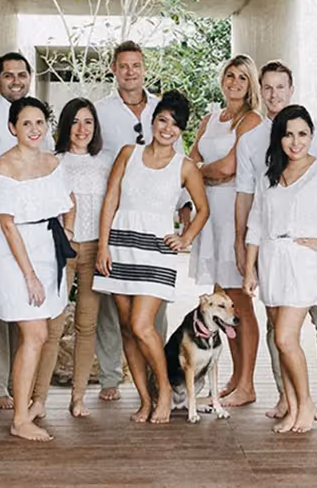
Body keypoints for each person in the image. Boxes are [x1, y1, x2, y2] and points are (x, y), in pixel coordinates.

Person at [243, 104, 317, 433]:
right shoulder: (269, 174)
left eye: (303, 134)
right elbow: (255, 223)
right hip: (270, 257)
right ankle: (293, 407)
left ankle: (306, 404)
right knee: (281, 340)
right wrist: (250, 269)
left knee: (284, 337)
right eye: (289, 134)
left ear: (312, 136)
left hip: (302, 259)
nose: (296, 142)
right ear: (279, 137)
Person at [94, 91, 209, 424]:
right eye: (162, 120)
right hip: (120, 246)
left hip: (156, 252)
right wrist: (103, 246)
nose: (167, 129)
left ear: (181, 131)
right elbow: (111, 199)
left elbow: (203, 210)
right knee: (127, 329)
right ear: (153, 120)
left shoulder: (185, 167)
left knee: (143, 325)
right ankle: (145, 400)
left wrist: (185, 237)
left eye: (175, 125)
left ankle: (162, 396)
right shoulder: (128, 154)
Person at [234, 60, 317, 420]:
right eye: (267, 88)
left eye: (281, 87)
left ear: (291, 89)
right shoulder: (251, 142)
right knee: (277, 328)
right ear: (259, 91)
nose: (274, 94)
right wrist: (244, 253)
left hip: (310, 250)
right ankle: (288, 397)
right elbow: (249, 202)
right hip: (272, 252)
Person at [93, 41, 188, 402]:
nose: (130, 71)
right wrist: (103, 241)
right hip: (119, 227)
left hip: (155, 233)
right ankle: (110, 379)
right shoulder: (101, 111)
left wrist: (183, 221)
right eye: (123, 65)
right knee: (117, 319)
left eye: (136, 65)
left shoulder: (164, 109)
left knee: (148, 320)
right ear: (113, 69)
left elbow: (177, 173)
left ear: (144, 68)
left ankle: (157, 384)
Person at [0, 96, 75, 441]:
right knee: (34, 334)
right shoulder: (3, 166)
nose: (34, 129)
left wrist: (68, 232)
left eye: (39, 123)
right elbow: (6, 225)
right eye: (26, 124)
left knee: (43, 332)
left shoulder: (52, 162)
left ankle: (31, 404)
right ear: (12, 128)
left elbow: (69, 201)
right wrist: (29, 274)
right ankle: (20, 419)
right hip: (15, 252)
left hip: (47, 246)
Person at [0, 52, 54, 411]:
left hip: (36, 234)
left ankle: (26, 384)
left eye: (21, 74)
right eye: (8, 75)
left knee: (31, 310)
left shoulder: (38, 119)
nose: (15, 80)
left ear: (30, 77)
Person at [189, 54, 263, 406]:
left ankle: (248, 384)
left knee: (241, 304)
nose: (234, 82)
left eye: (242, 78)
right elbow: (189, 163)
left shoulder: (251, 120)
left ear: (251, 85)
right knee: (224, 303)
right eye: (230, 75)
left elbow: (231, 167)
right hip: (210, 215)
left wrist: (201, 171)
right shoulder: (209, 119)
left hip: (235, 212)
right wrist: (203, 171)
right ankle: (235, 377)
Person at [30, 97, 109, 419]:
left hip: (94, 250)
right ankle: (39, 399)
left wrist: (105, 245)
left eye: (88, 122)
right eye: (75, 122)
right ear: (65, 126)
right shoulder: (52, 161)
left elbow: (112, 207)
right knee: (52, 326)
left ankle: (78, 398)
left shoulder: (106, 162)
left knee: (86, 326)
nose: (82, 129)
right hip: (60, 251)